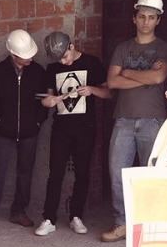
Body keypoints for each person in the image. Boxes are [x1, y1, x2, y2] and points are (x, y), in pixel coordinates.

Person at [101, 0, 167, 242]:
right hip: (123, 119)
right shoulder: (123, 48)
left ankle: (150, 227)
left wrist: (127, 73)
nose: (146, 22)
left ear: (158, 20)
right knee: (117, 174)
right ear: (134, 18)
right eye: (142, 16)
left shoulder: (164, 48)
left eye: (151, 17)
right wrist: (144, 76)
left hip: (153, 119)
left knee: (152, 175)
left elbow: (158, 77)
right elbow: (112, 81)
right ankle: (122, 223)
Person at [35, 32, 111, 236]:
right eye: (58, 59)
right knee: (55, 174)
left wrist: (92, 90)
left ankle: (76, 216)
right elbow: (46, 98)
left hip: (86, 128)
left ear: (71, 46)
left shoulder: (92, 63)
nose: (63, 62)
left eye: (65, 57)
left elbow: (109, 93)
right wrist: (48, 102)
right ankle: (49, 219)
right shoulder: (52, 68)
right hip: (60, 128)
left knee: (82, 173)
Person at [0, 30, 48, 229]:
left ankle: (18, 212)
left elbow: (44, 100)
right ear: (13, 55)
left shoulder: (38, 72)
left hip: (29, 133)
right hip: (3, 133)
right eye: (26, 55)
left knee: (25, 173)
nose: (31, 58)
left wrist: (37, 122)